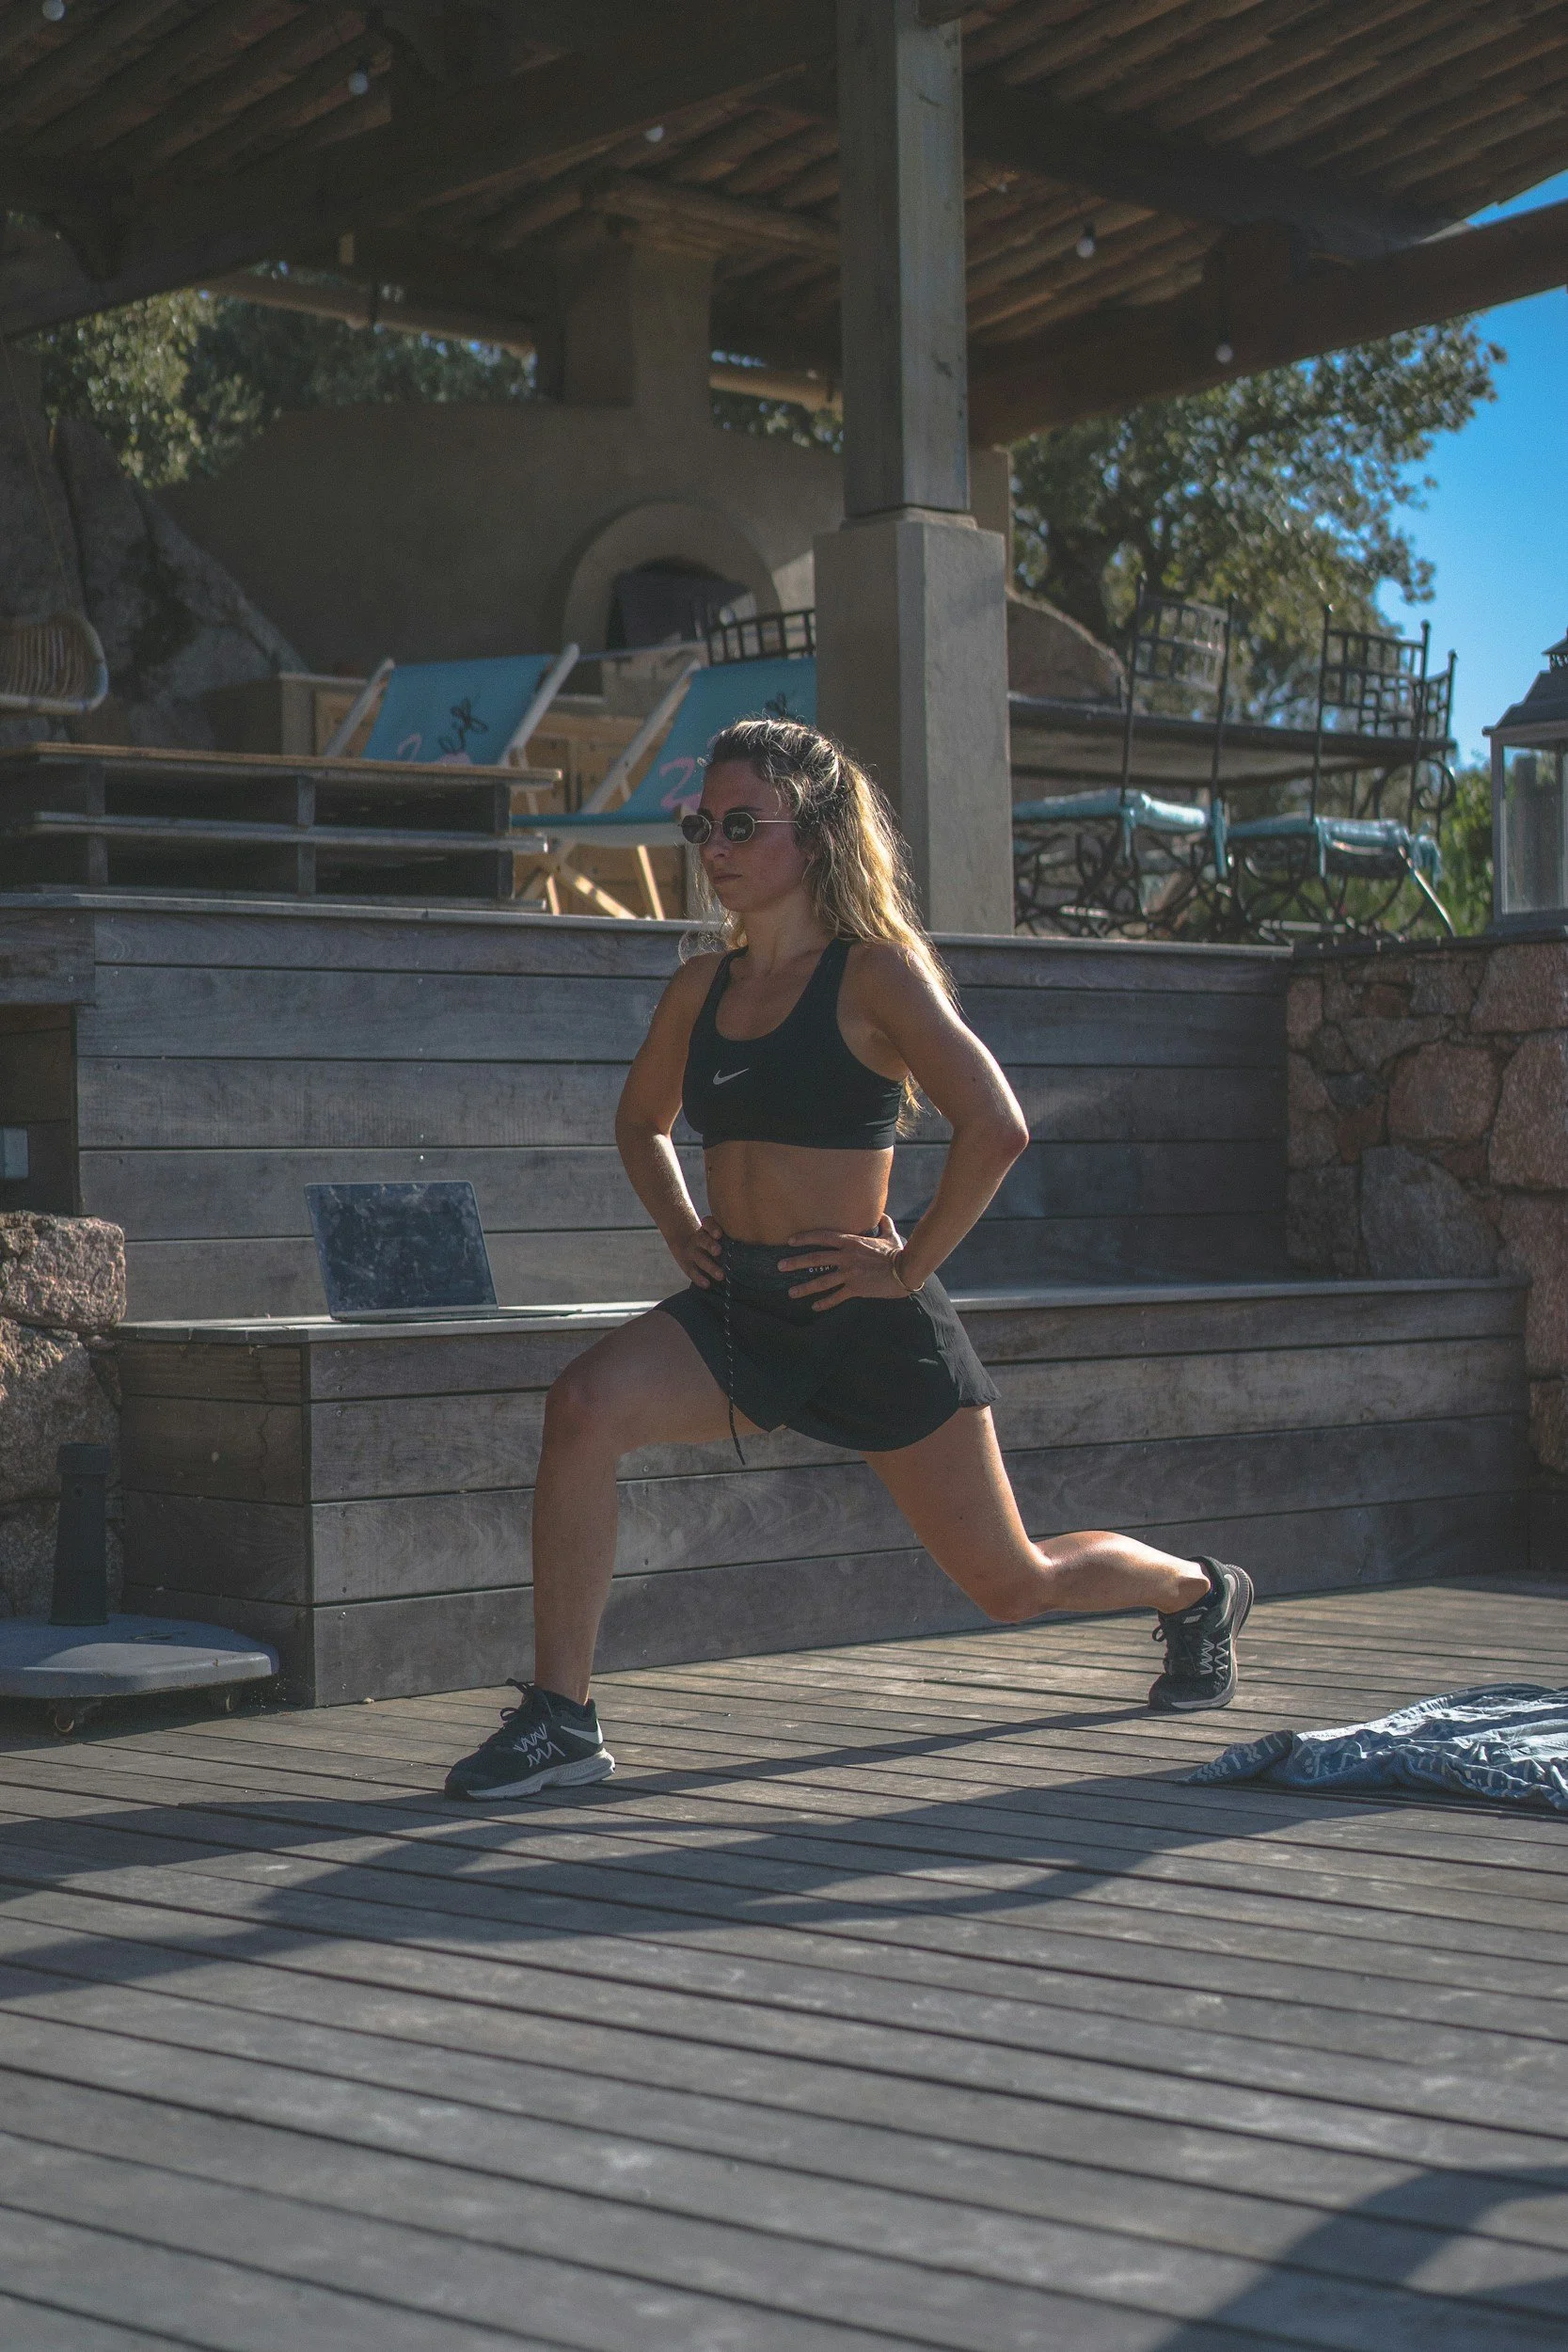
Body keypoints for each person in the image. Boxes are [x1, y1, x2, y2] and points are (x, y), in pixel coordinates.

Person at [444, 718, 1252, 1801]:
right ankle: (562, 1718)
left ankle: (1195, 1592)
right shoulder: (699, 988)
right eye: (703, 824)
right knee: (584, 1404)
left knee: (1012, 1584)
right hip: (743, 1305)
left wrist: (909, 1267)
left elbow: (996, 1125)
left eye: (742, 823)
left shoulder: (874, 975)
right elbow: (640, 1123)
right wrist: (680, 1225)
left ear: (813, 835)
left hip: (867, 1316)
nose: (715, 846)